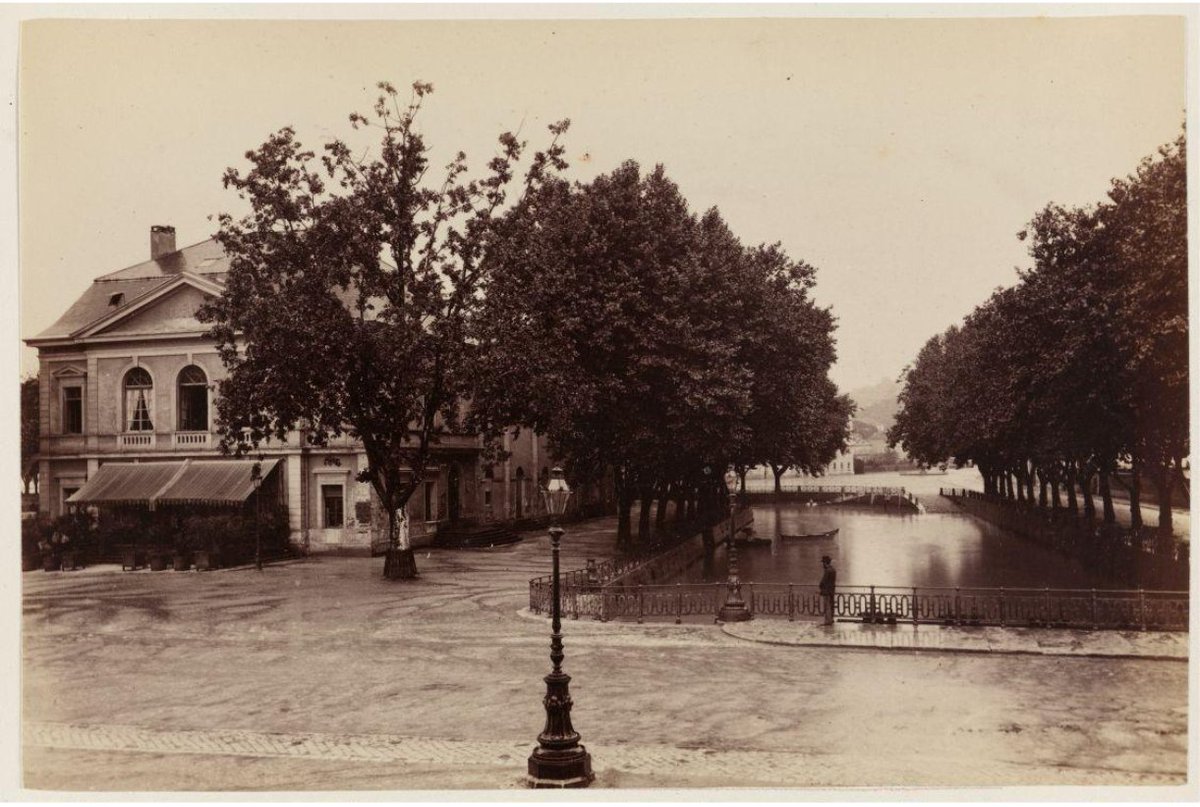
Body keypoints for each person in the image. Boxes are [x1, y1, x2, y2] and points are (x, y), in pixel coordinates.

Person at [819, 554, 837, 626]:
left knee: (827, 606)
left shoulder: (827, 570)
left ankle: (827, 621)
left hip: (826, 591)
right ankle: (831, 619)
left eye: (823, 562)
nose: (822, 564)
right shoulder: (833, 569)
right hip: (832, 590)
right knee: (831, 605)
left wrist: (821, 586)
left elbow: (823, 581)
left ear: (825, 563)